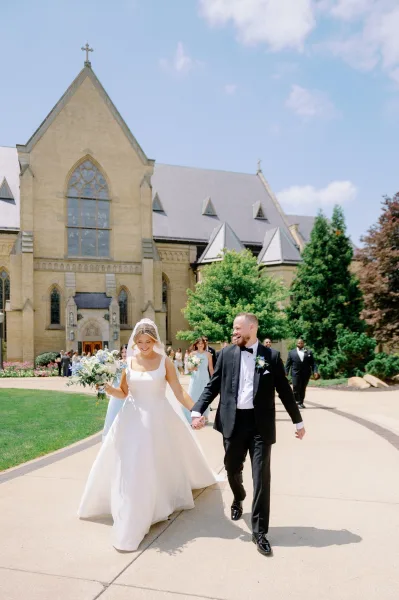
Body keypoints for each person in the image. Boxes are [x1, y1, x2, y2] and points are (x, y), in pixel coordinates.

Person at [78, 319, 218, 551]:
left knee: (153, 463)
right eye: (140, 341)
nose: (143, 345)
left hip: (158, 418)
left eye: (148, 341)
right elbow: (123, 393)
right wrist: (105, 387)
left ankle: (154, 505)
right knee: (132, 465)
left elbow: (178, 391)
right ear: (135, 341)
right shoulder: (128, 363)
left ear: (155, 341)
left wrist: (196, 411)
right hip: (131, 420)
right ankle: (132, 513)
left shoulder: (166, 362)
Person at [191, 313, 305, 557]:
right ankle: (238, 496)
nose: (234, 331)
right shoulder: (226, 354)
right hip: (233, 422)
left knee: (262, 477)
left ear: (251, 328)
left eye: (237, 327)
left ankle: (260, 532)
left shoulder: (270, 357)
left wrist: (298, 421)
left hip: (260, 426)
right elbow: (213, 386)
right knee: (232, 469)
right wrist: (197, 410)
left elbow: (285, 391)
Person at [183, 337, 214, 424]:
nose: (200, 345)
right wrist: (193, 367)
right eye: (199, 343)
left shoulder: (208, 354)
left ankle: (204, 416)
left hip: (205, 377)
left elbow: (211, 368)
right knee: (193, 394)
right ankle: (191, 414)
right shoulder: (192, 354)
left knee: (204, 396)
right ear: (196, 344)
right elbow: (188, 368)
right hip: (195, 377)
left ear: (204, 344)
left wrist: (214, 379)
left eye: (202, 343)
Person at [102, 345, 128, 441]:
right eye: (123, 352)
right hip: (116, 396)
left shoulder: (133, 364)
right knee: (112, 418)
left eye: (126, 352)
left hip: (127, 395)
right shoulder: (116, 364)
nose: (124, 354)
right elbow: (109, 375)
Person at [285, 338, 318, 409]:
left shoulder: (308, 352)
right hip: (295, 373)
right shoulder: (291, 352)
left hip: (306, 373)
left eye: (301, 343)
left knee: (303, 388)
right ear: (296, 344)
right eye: (299, 343)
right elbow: (288, 364)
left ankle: (301, 402)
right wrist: (286, 372)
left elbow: (313, 363)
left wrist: (315, 371)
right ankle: (297, 401)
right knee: (296, 387)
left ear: (303, 344)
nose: (300, 344)